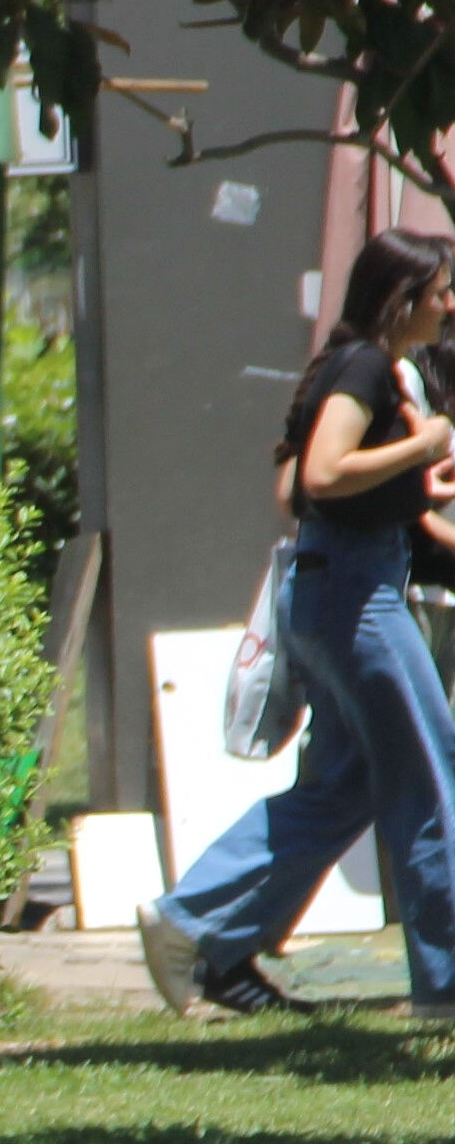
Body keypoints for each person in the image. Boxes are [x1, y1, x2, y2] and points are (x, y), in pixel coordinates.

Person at [147, 229, 455, 1015]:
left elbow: (297, 491)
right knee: (431, 776)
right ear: (404, 297)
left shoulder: (346, 364)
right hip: (358, 597)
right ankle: (446, 987)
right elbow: (320, 473)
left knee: (346, 787)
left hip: (334, 585)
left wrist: (416, 475)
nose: (450, 305)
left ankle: (194, 925)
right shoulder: (363, 369)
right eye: (441, 292)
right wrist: (421, 444)